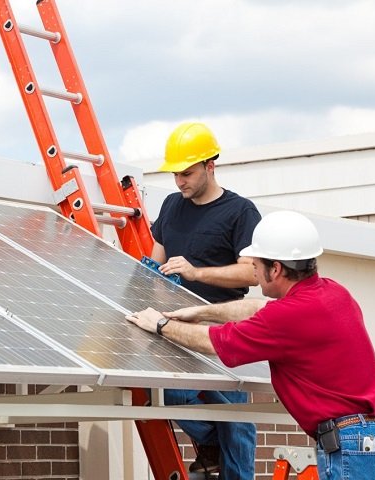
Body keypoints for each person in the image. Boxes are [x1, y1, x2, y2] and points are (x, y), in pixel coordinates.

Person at [127, 210, 375, 480]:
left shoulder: (286, 317)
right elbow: (257, 309)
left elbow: (216, 342)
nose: (253, 273)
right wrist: (201, 312)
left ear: (275, 269)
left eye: (256, 266)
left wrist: (161, 325)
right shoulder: (334, 293)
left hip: (355, 447)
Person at [150, 122, 260, 478]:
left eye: (187, 173)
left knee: (237, 421)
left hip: (222, 326)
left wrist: (196, 273)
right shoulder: (171, 205)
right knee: (171, 396)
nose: (180, 181)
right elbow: (156, 261)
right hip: (176, 323)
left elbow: (252, 273)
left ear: (210, 166)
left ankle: (232, 468)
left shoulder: (240, 212)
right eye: (175, 174)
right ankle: (211, 443)